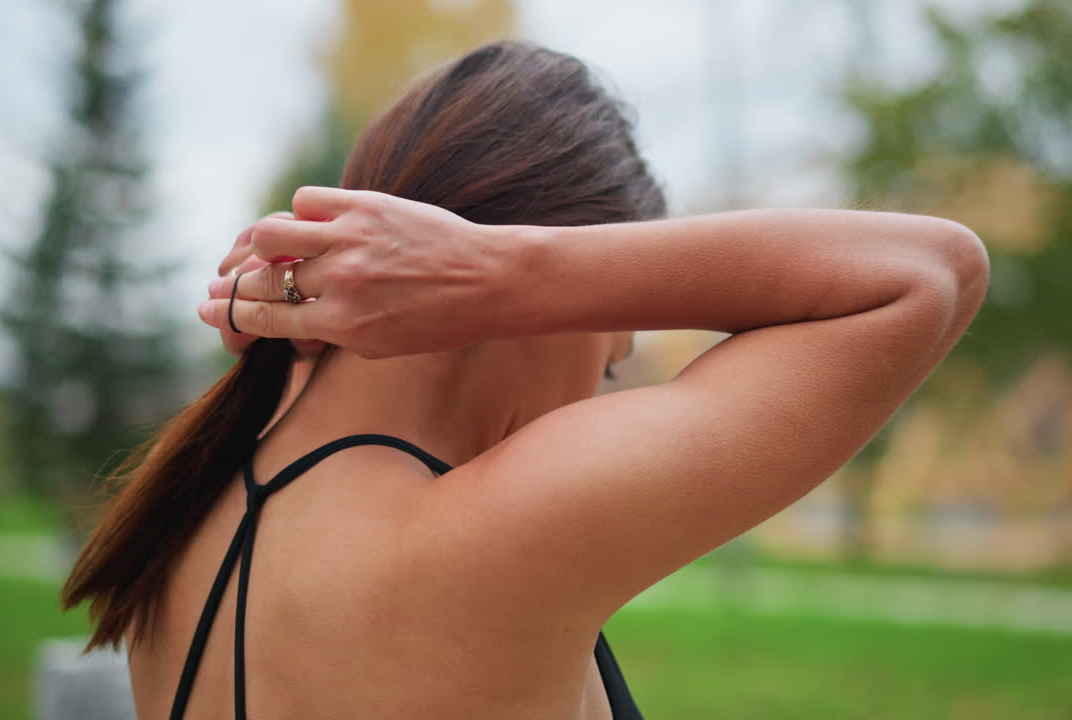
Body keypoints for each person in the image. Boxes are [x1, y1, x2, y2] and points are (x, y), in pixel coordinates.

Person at [63, 40, 988, 719]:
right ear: (499, 291)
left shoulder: (181, 516)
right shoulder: (483, 538)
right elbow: (930, 275)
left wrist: (510, 274)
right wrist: (517, 275)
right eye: (615, 355)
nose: (603, 393)